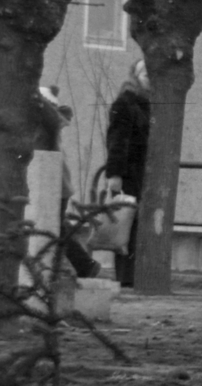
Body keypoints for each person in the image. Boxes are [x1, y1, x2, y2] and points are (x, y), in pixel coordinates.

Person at [34, 87, 101, 279]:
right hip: (55, 185)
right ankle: (82, 266)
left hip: (55, 186)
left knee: (55, 228)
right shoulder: (48, 125)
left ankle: (84, 266)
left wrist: (36, 97)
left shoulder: (49, 124)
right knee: (56, 228)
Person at [102, 59, 151, 286]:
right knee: (126, 225)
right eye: (144, 73)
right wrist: (115, 174)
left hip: (142, 175)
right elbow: (117, 141)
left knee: (136, 225)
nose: (149, 78)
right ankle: (126, 278)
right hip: (129, 175)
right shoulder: (126, 103)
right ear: (135, 76)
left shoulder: (147, 104)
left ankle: (132, 277)